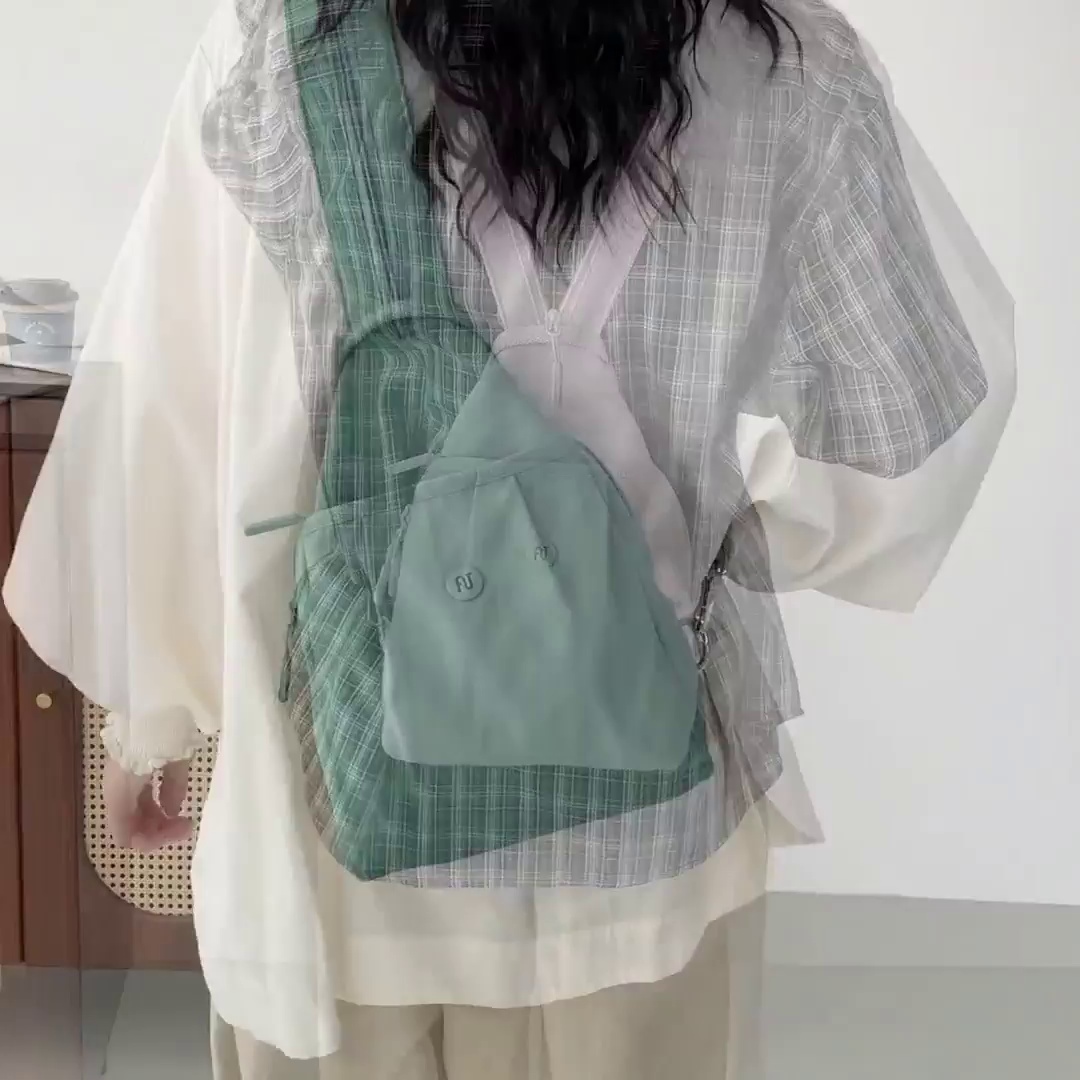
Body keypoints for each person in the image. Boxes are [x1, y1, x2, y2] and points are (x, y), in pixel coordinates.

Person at [2, 0, 1015, 1076]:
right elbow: (910, 436)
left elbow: (171, 425)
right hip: (647, 818)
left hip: (349, 805)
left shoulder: (281, 51)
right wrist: (732, 547)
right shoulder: (792, 68)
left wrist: (151, 718)